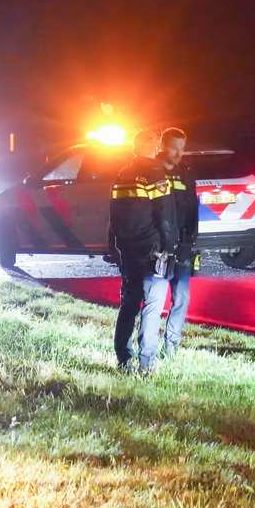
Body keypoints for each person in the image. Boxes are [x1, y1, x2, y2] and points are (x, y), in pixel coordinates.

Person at [108, 129, 171, 371]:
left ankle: (124, 358)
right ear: (150, 145)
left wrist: (114, 243)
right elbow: (163, 212)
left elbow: (113, 214)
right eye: (155, 143)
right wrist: (169, 244)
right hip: (152, 248)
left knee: (130, 303)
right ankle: (147, 362)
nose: (158, 147)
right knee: (153, 304)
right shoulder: (155, 173)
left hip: (127, 248)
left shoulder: (122, 174)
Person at [156, 127, 199, 358]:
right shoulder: (151, 171)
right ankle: (148, 346)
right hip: (158, 246)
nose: (179, 153)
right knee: (154, 297)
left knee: (182, 297)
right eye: (174, 147)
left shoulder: (186, 173)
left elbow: (192, 207)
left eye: (182, 148)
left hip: (182, 244)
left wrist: (193, 239)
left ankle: (171, 346)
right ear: (162, 146)